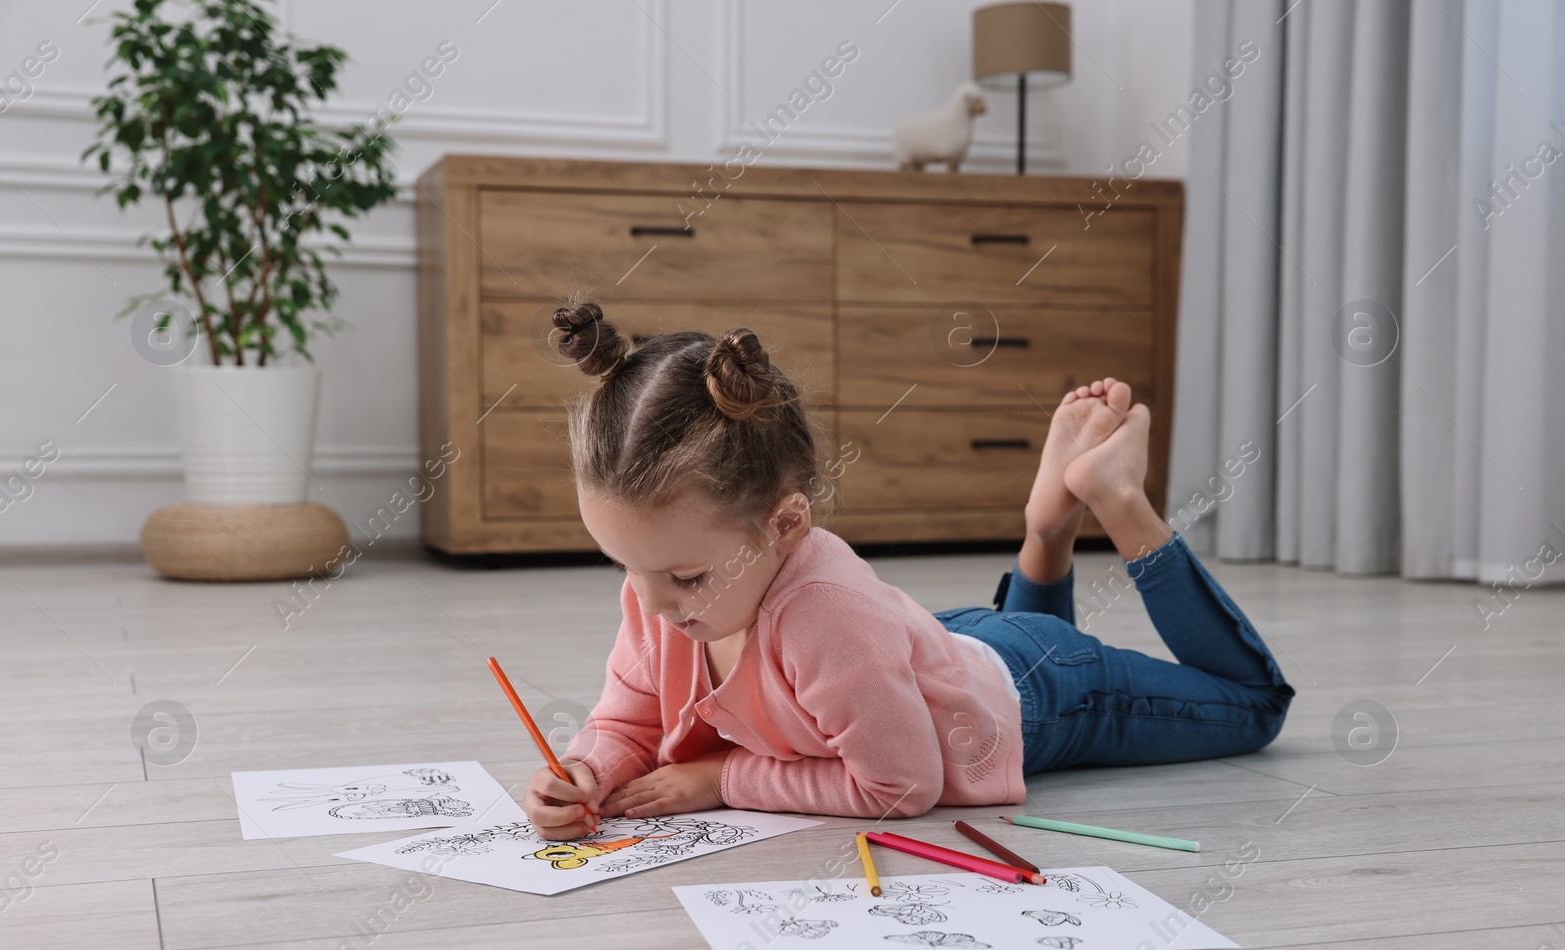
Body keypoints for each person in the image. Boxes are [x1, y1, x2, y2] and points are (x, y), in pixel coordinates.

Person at [521, 302, 1293, 839]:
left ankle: (1119, 502)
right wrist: (587, 769)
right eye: (627, 567)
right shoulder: (662, 586)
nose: (651, 605)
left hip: (1048, 692)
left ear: (787, 522)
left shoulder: (825, 618)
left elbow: (900, 787)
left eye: (684, 579)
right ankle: (1049, 522)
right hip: (939, 649)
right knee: (1003, 639)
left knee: (1254, 706)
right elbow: (631, 718)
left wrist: (724, 779)